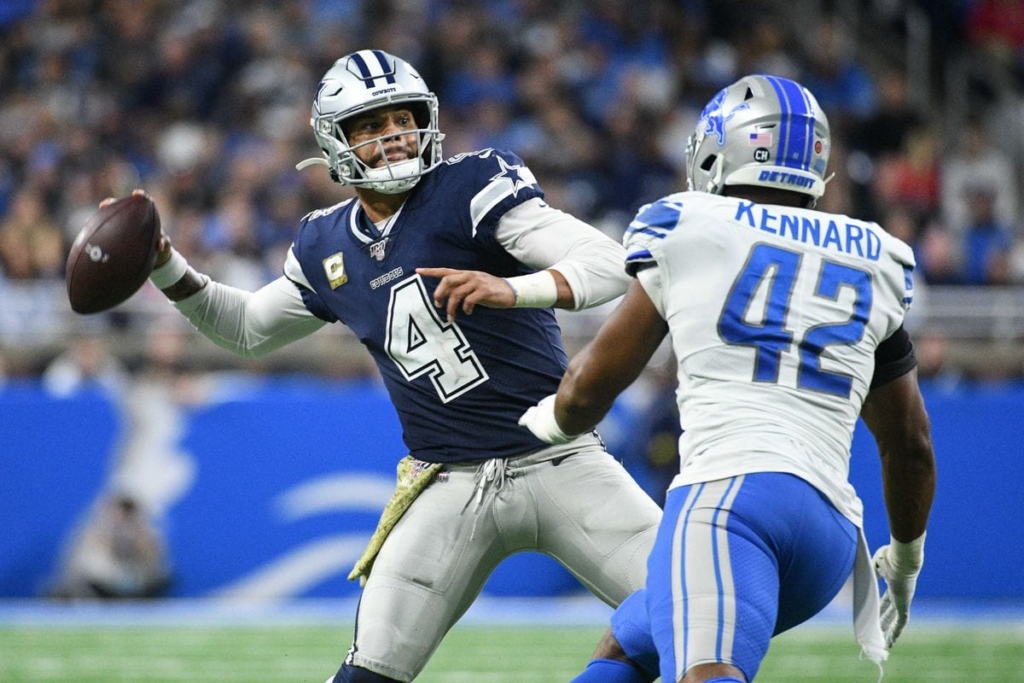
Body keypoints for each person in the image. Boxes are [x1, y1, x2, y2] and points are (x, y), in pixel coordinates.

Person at [126, 49, 662, 683]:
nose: (391, 138)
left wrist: (511, 288)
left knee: (700, 613)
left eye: (401, 120)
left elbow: (606, 262)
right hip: (448, 484)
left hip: (560, 461)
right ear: (335, 141)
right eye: (370, 127)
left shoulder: (471, 187)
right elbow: (245, 329)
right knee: (369, 674)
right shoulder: (325, 242)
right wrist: (164, 264)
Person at [520, 74, 937, 683]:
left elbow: (587, 390)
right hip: (827, 538)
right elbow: (910, 443)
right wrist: (904, 563)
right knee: (628, 647)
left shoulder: (690, 225)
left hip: (731, 504)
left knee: (704, 673)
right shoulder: (872, 255)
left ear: (721, 149)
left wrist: (540, 424)